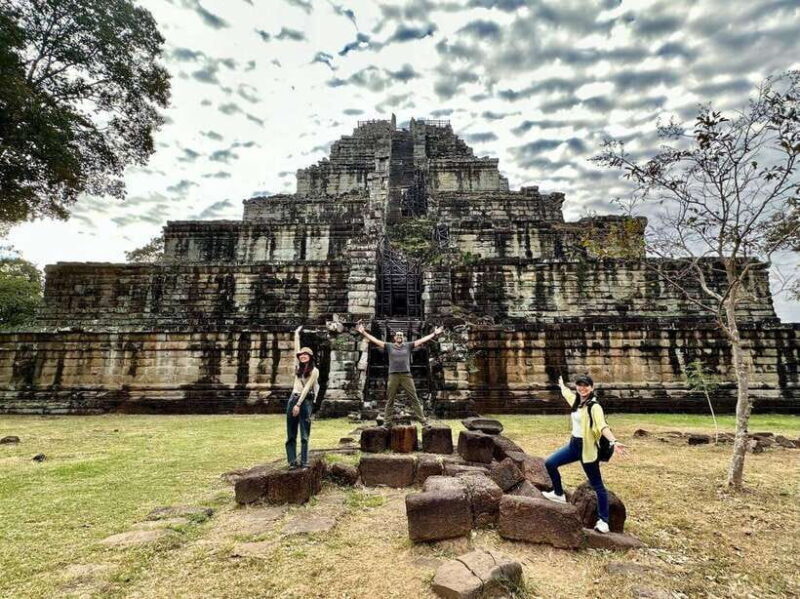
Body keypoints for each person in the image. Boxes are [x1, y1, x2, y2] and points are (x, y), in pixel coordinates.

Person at [542, 374, 628, 533]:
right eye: (580, 385)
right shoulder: (576, 401)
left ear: (592, 387)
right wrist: (561, 385)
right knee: (550, 463)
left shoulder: (595, 407)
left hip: (587, 449)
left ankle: (604, 521)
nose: (582, 388)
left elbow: (602, 426)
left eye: (586, 385)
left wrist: (613, 441)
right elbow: (567, 394)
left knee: (597, 485)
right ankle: (558, 493)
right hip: (574, 445)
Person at [355, 322, 444, 427]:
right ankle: (386, 423)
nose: (399, 337)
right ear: (394, 338)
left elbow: (422, 340)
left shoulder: (408, 346)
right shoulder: (389, 346)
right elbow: (376, 341)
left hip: (406, 375)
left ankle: (423, 422)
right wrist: (363, 332)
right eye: (397, 335)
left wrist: (434, 334)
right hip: (393, 375)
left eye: (401, 335)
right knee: (390, 400)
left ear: (404, 338)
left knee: (414, 398)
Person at [285, 325, 320, 469]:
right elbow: (296, 349)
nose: (302, 356)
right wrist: (296, 333)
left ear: (310, 357)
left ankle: (304, 462)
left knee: (304, 435)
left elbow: (306, 389)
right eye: (301, 355)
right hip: (293, 398)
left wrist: (298, 405)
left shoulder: (314, 371)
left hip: (304, 402)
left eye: (305, 354)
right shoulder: (297, 367)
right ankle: (292, 461)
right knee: (291, 434)